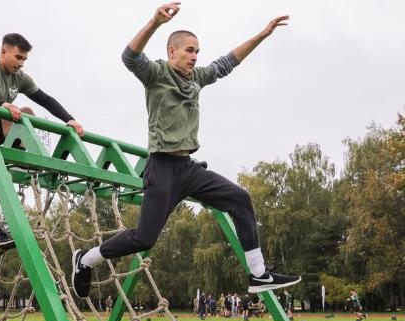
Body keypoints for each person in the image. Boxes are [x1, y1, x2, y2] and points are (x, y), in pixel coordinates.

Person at [71, 3, 300, 299]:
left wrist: (262, 35)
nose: (194, 57)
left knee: (240, 199)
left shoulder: (197, 78)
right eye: (189, 50)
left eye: (197, 52)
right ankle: (86, 260)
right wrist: (155, 21)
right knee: (144, 238)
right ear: (172, 52)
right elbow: (129, 57)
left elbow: (229, 62)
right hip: (162, 168)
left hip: (189, 169)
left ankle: (258, 274)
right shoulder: (155, 75)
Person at [0, 33, 86, 255]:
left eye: (24, 59)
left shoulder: (19, 78)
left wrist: (69, 119)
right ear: (3, 51)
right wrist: (2, 103)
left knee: (26, 112)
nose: (21, 63)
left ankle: (21, 156)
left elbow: (45, 99)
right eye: (18, 57)